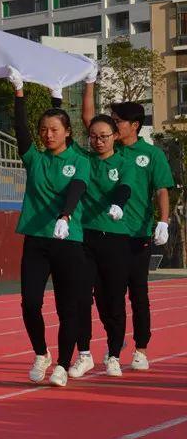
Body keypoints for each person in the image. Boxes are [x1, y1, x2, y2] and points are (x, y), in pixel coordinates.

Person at [82, 80, 175, 370]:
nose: (113, 125)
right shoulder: (111, 149)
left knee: (138, 293)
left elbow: (162, 189)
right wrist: (89, 82)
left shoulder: (152, 154)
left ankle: (141, 348)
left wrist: (163, 221)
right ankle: (116, 334)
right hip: (109, 235)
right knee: (105, 293)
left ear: (134, 125)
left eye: (118, 121)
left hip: (137, 233)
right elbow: (89, 120)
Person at [9, 67, 90, 387]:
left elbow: (77, 188)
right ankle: (41, 353)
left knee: (67, 306)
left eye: (54, 129)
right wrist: (19, 92)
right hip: (36, 241)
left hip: (67, 240)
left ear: (67, 132)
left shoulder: (79, 160)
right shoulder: (35, 159)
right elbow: (20, 130)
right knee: (30, 302)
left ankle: (63, 364)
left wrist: (65, 216)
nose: (47, 134)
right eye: (43, 129)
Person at [67, 107, 133, 379]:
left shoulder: (124, 163)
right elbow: (64, 136)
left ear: (115, 136)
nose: (98, 141)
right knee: (81, 297)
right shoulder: (83, 159)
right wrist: (57, 95)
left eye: (104, 136)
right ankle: (84, 354)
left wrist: (118, 204)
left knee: (112, 300)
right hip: (85, 238)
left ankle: (114, 354)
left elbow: (125, 187)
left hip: (115, 238)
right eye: (93, 136)